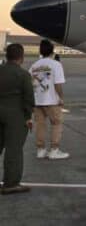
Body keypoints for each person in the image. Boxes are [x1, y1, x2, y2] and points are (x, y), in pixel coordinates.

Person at [0, 44, 35, 194]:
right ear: (21, 57)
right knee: (13, 150)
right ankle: (11, 183)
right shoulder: (23, 75)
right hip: (16, 115)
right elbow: (28, 99)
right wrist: (28, 117)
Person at [30, 39, 69, 160]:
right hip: (51, 100)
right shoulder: (56, 65)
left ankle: (41, 150)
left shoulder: (34, 65)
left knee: (40, 125)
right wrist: (61, 98)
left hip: (37, 100)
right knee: (56, 124)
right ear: (52, 51)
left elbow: (31, 83)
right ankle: (54, 150)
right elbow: (58, 84)